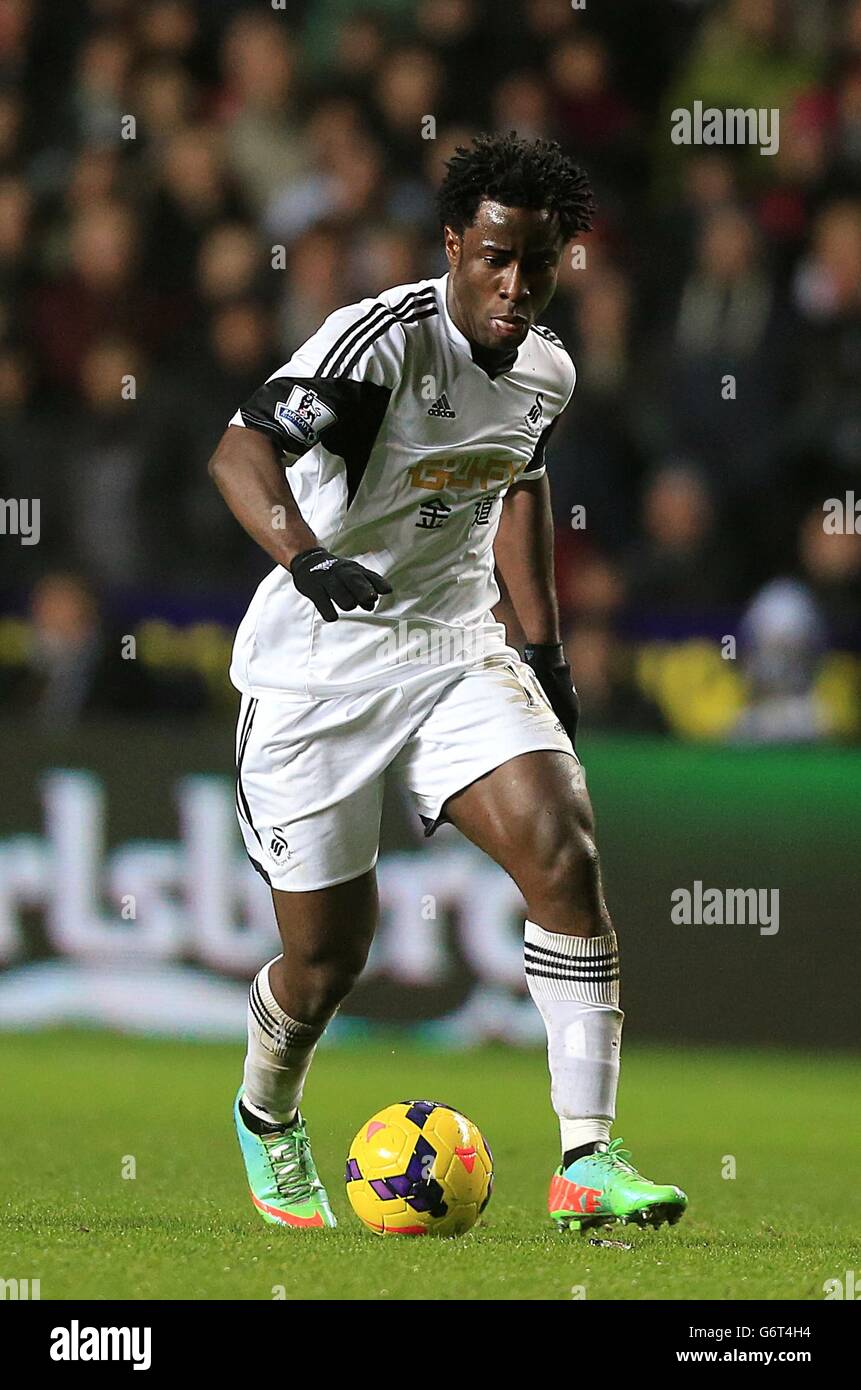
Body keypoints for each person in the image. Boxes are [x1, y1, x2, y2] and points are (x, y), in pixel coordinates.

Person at [208, 132, 687, 1233]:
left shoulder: (548, 371)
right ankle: (267, 1113)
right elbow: (239, 450)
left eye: (541, 263)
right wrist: (303, 555)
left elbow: (517, 487)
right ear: (454, 247)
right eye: (495, 259)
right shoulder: (377, 344)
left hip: (452, 649)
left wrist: (545, 649)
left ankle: (588, 1158)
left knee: (563, 849)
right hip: (317, 675)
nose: (516, 285)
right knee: (326, 961)